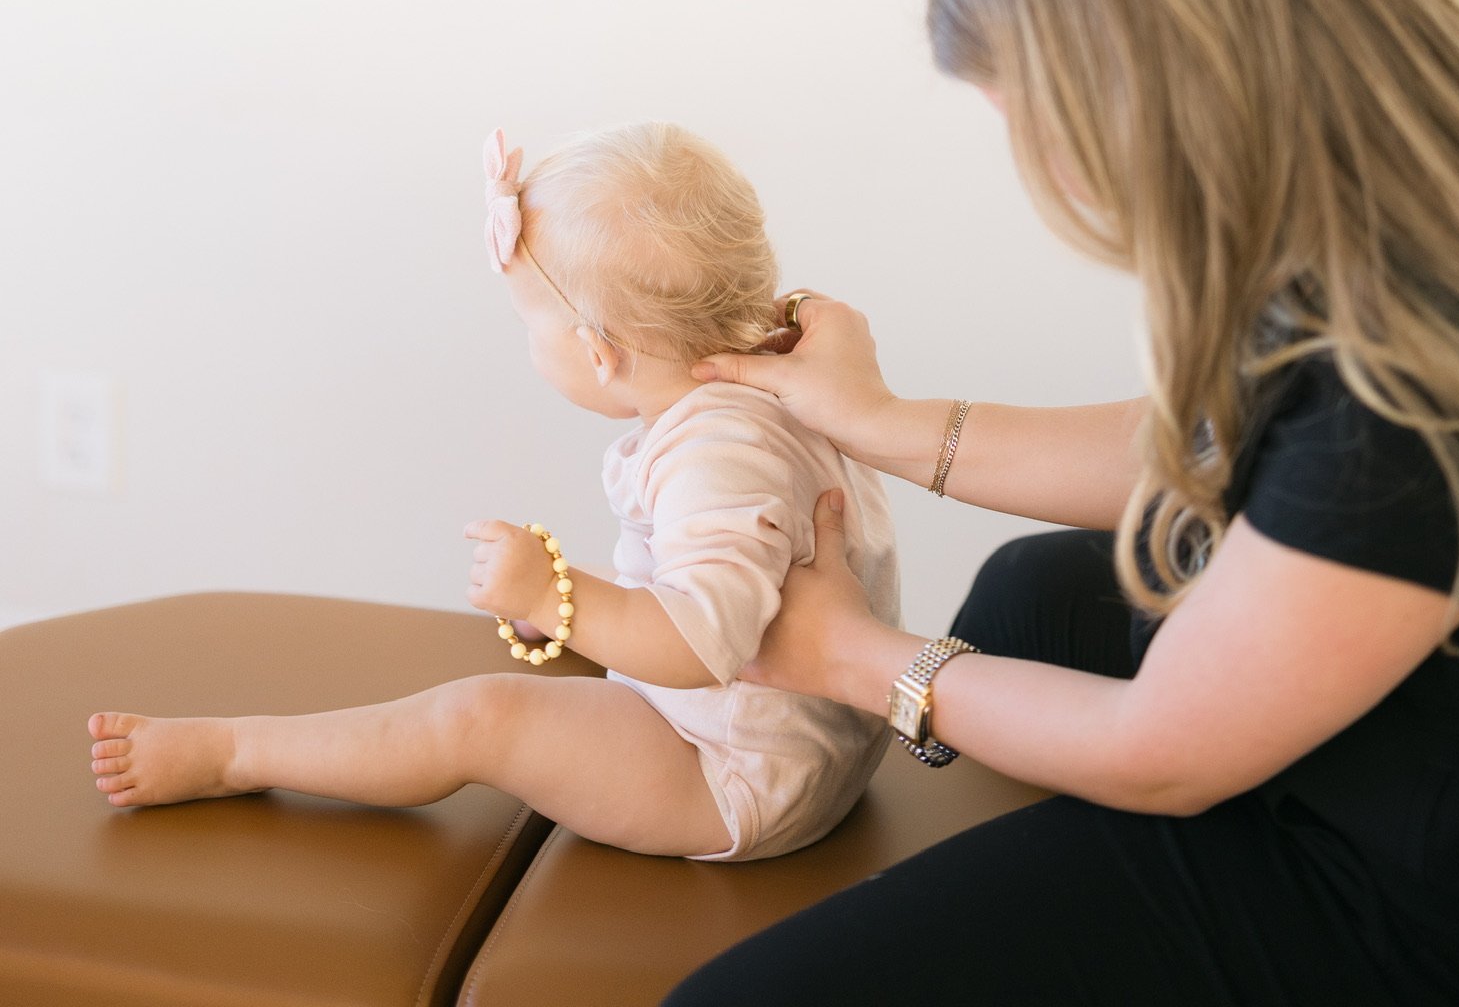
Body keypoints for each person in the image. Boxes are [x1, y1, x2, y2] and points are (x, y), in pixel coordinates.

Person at [670, 0, 1459, 1006]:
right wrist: (883, 421)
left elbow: (1163, 751)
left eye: (1027, 121)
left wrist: (858, 657)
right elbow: (1236, 445)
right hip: (1456, 654)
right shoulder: (1441, 97)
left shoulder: (1405, 378)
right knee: (1027, 596)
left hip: (1441, 905)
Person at [85, 122, 900, 863]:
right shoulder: (776, 386)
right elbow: (736, 592)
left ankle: (235, 754)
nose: (525, 343)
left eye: (528, 326)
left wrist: (558, 592)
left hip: (734, 775)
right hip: (807, 739)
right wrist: (573, 610)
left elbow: (696, 646)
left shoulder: (715, 454)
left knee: (475, 720)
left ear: (597, 353)